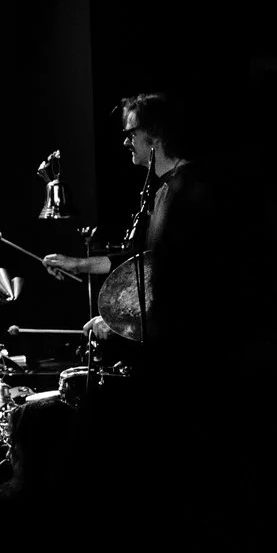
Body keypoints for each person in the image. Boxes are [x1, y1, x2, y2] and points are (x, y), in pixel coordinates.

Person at [38, 92, 222, 366]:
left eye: (131, 133)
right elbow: (138, 263)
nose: (126, 141)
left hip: (193, 352)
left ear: (155, 134)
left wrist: (121, 321)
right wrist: (76, 265)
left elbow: (183, 282)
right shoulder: (161, 191)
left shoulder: (190, 190)